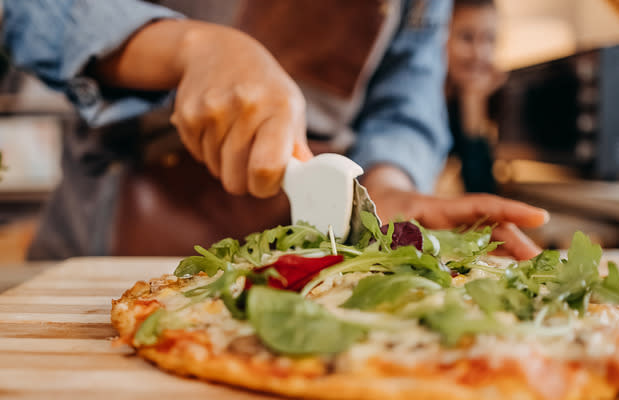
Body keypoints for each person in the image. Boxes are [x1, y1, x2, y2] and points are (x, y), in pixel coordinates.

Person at [0, 0, 546, 260]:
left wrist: (387, 187)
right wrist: (189, 47)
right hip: (110, 235)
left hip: (322, 252)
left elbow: (406, 97)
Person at [446, 0, 505, 194]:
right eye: (466, 37)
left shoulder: (489, 96)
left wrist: (472, 103)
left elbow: (482, 190)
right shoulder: (415, 103)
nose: (479, 54)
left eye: (489, 39)